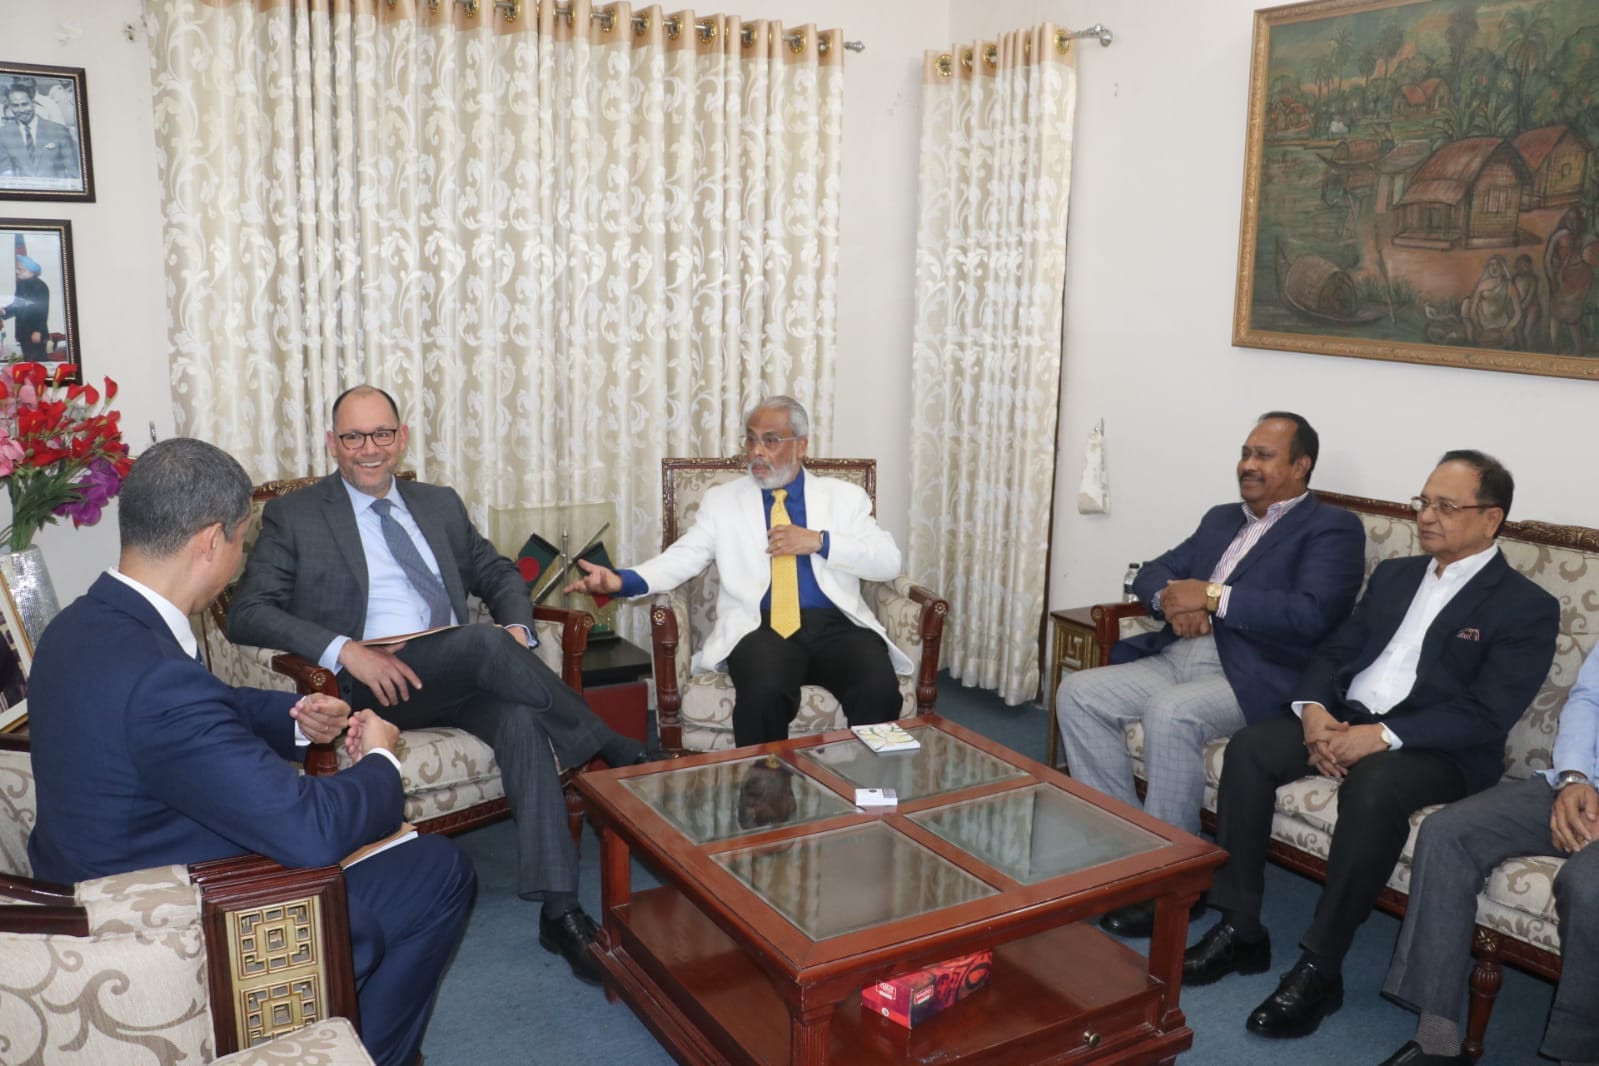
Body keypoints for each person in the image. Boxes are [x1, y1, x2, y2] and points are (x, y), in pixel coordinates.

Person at [26, 438, 474, 1066]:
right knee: (436, 873)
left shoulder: (79, 625)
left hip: (104, 871)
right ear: (213, 541)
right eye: (243, 540)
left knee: (415, 860)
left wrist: (299, 721)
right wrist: (382, 759)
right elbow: (311, 831)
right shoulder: (157, 679)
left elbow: (201, 706)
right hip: (174, 924)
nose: (242, 557)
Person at [229, 384, 644, 986]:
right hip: (372, 688)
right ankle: (614, 746)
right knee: (482, 643)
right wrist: (347, 650)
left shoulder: (438, 503)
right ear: (331, 444)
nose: (369, 449)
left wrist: (518, 630)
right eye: (353, 437)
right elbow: (247, 611)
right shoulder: (296, 515)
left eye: (381, 434)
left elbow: (498, 571)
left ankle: (561, 912)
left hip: (454, 673)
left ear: (401, 438)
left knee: (520, 717)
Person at [1183, 450, 1559, 1041]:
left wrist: (1380, 738)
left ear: (1491, 519)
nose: (1426, 516)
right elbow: (1336, 650)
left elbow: (1487, 712)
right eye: (1423, 502)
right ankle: (1241, 927)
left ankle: (1321, 965)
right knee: (1252, 747)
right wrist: (1313, 712)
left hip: (1439, 750)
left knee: (1376, 784)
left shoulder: (1525, 606)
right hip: (1348, 717)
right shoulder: (1396, 576)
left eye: (1446, 506)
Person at [1057, 411, 1365, 938]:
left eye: (1264, 456)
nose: (1248, 465)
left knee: (1171, 713)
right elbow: (1155, 572)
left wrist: (1214, 597)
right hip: (1180, 653)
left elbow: (1311, 613)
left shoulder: (1331, 528)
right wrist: (1173, 604)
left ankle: (1173, 880)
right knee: (1078, 693)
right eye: (1246, 453)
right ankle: (1123, 851)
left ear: (1301, 466)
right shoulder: (1222, 518)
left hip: (1252, 676)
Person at [564, 394, 908, 746]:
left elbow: (887, 560)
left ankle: (870, 780)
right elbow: (684, 556)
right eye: (751, 439)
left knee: (878, 690)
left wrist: (821, 541)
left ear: (801, 445)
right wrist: (621, 580)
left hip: (836, 626)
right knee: (764, 694)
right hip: (760, 626)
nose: (756, 451)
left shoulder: (845, 497)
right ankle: (766, 782)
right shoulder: (722, 501)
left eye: (770, 440)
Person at [1377, 642, 1599, 1066]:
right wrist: (1574, 778)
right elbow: (1589, 698)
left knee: (1588, 885)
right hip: (1581, 783)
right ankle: (1437, 1039)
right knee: (1448, 832)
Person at [0, 83, 79, 181]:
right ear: (10, 106)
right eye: (15, 106)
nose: (21, 110)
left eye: (25, 104)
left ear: (33, 103)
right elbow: (5, 174)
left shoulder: (58, 131)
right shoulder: (3, 135)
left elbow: (74, 173)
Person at [1, 256, 49, 360]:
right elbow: (17, 305)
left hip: (35, 332)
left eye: (20, 269)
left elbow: (42, 310)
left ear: (31, 270)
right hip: (23, 331)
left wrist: (38, 330)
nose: (17, 272)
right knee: (28, 360)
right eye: (17, 269)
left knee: (38, 361)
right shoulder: (21, 285)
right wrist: (4, 311)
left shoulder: (40, 286)